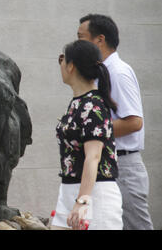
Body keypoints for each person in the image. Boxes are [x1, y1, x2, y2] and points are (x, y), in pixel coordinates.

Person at [77, 14, 153, 230]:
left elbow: (134, 122)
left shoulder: (117, 73)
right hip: (109, 164)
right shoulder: (102, 73)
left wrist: (90, 132)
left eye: (81, 37)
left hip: (124, 167)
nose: (77, 44)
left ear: (99, 40)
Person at [51, 40, 123, 230]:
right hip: (70, 190)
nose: (60, 65)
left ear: (71, 65)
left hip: (95, 194)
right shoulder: (78, 103)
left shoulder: (94, 105)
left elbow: (94, 156)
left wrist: (82, 201)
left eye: (61, 59)